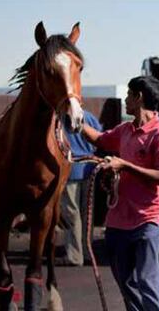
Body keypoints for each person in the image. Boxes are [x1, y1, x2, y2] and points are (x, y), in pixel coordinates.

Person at [81, 76, 159, 311]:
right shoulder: (125, 129)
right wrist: (76, 121)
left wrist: (125, 166)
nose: (125, 100)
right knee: (125, 281)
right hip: (119, 221)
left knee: (147, 279)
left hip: (147, 219)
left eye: (128, 95)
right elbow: (100, 139)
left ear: (138, 97)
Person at [58, 109, 103, 266]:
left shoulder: (61, 118)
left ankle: (74, 255)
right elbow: (100, 138)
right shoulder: (90, 117)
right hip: (90, 168)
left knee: (72, 213)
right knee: (87, 214)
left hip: (71, 169)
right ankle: (87, 252)